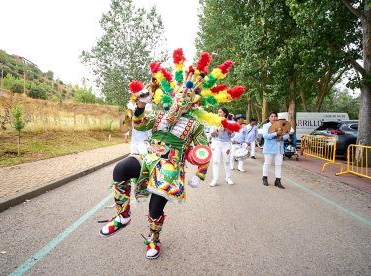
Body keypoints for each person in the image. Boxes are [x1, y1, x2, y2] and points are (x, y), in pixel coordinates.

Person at [99, 49, 244, 260]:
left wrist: (199, 175)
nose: (182, 97)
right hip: (149, 157)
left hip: (170, 168)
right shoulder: (159, 116)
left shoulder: (194, 125)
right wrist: (141, 103)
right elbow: (138, 123)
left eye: (187, 95)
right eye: (179, 93)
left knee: (155, 207)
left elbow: (203, 152)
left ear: (195, 101)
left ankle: (153, 239)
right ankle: (123, 215)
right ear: (173, 94)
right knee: (121, 169)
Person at [262, 111, 290, 189]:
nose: (274, 118)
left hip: (279, 148)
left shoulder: (281, 124)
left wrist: (282, 137)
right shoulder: (266, 126)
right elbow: (265, 135)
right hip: (269, 148)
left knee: (278, 164)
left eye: (275, 116)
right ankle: (265, 178)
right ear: (269, 117)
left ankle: (278, 181)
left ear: (277, 117)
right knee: (267, 163)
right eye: (272, 116)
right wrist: (276, 134)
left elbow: (287, 134)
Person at [209, 107, 234, 186]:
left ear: (225, 113)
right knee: (215, 162)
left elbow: (232, 134)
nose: (219, 113)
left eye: (220, 112)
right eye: (218, 112)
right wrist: (216, 130)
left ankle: (228, 178)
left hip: (226, 144)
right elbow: (211, 134)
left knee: (227, 162)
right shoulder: (214, 122)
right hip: (216, 143)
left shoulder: (230, 123)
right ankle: (215, 179)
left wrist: (226, 127)